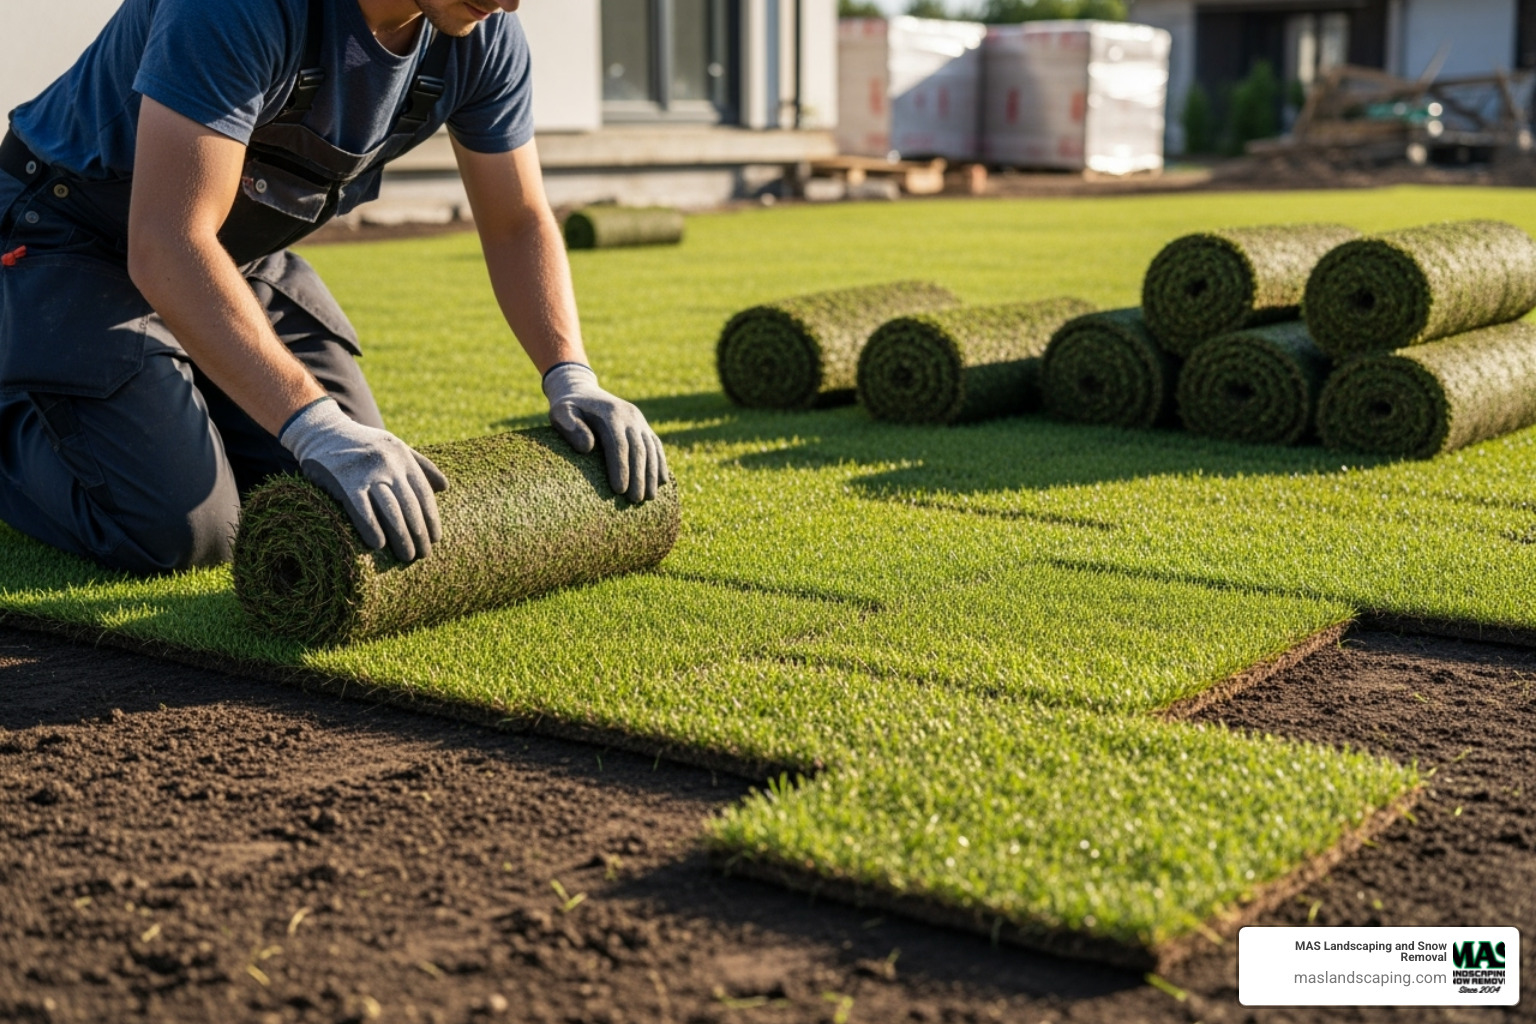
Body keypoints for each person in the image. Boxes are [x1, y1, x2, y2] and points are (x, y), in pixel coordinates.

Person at [0, 0, 667, 575]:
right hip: (68, 238)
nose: (513, 3)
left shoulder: (481, 36)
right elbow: (167, 242)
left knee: (343, 501)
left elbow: (517, 220)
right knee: (182, 530)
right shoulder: (240, 9)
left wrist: (570, 374)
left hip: (231, 258)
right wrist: (314, 424)